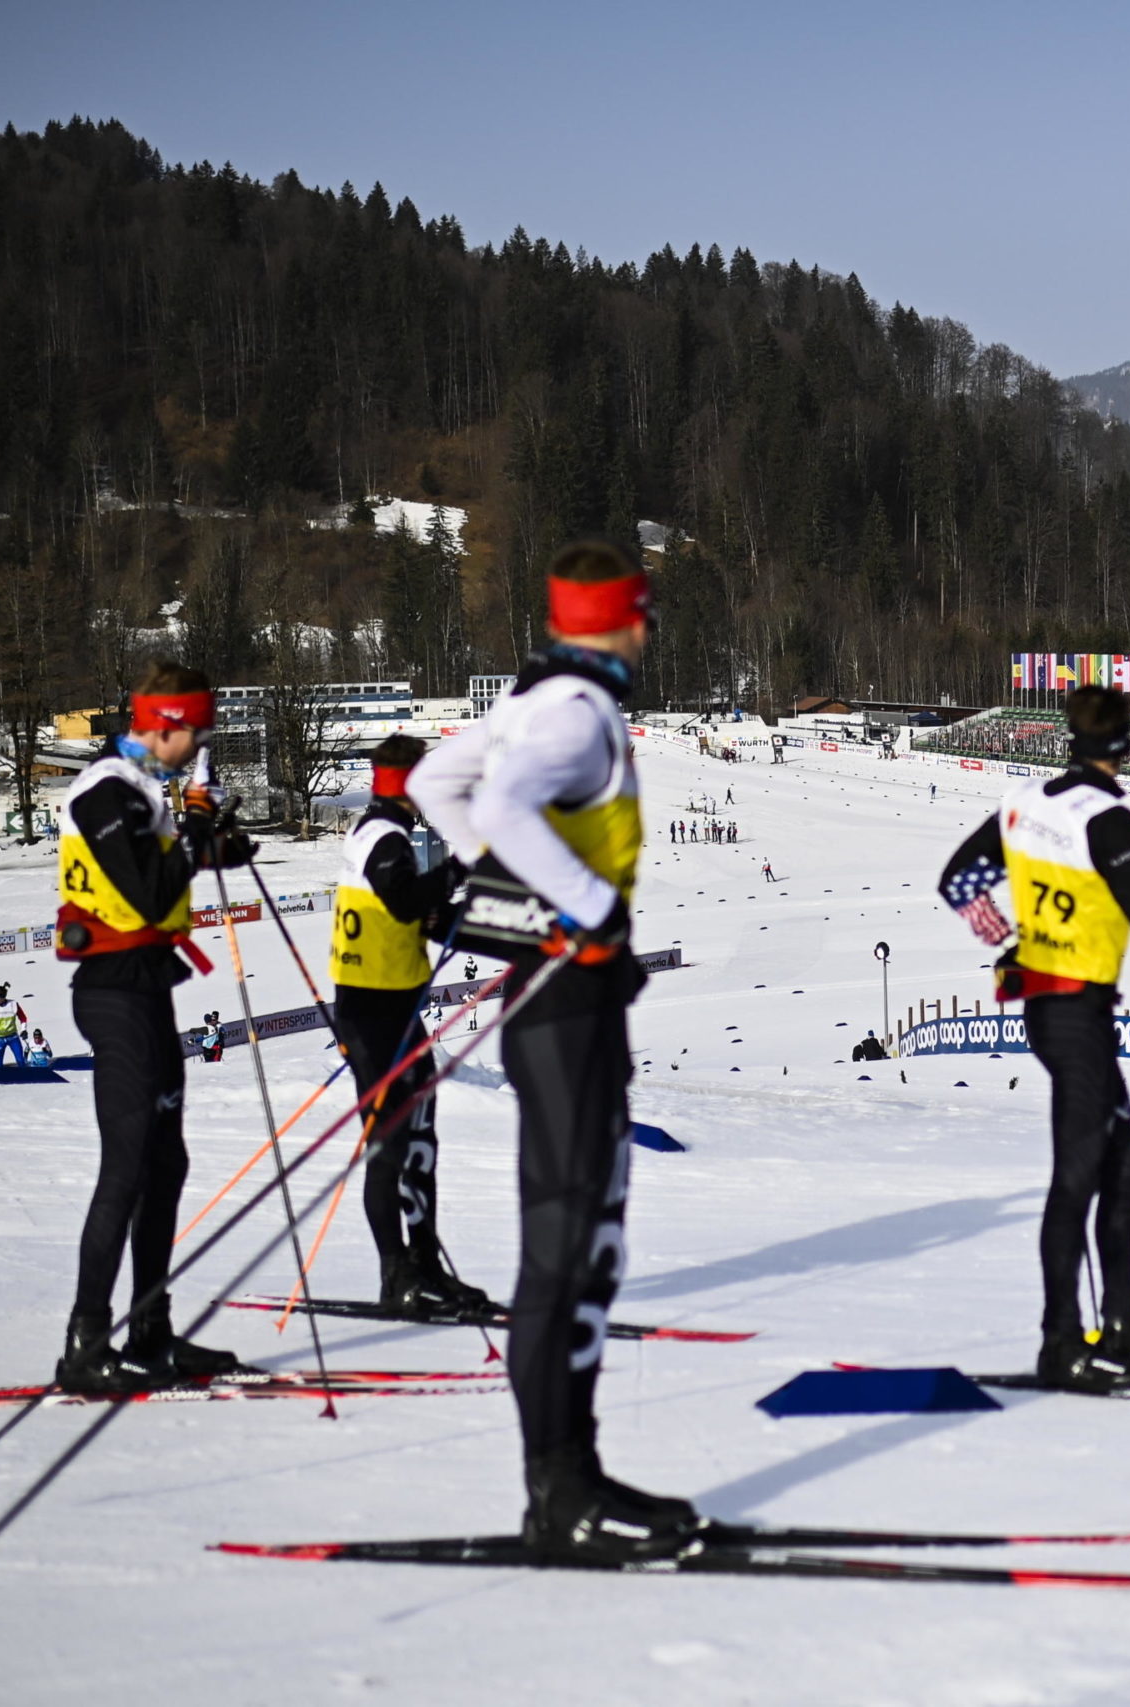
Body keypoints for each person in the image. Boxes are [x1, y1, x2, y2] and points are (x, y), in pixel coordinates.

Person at [413, 537, 681, 1564]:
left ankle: (571, 1473)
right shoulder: (579, 712)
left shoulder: (531, 699)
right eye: (642, 611)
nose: (649, 628)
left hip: (551, 989)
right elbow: (500, 802)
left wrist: (513, 898)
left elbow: (441, 781)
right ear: (615, 617)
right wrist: (582, 906)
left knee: (569, 1242)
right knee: (572, 1244)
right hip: (568, 1002)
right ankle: (560, 1490)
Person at [937, 684, 1130, 1393]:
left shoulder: (1027, 801)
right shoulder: (1113, 821)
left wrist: (1010, 941)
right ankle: (1062, 1340)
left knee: (1128, 1163)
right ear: (1125, 742)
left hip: (1056, 1008)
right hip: (1076, 1010)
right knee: (1079, 1175)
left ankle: (1121, 1325)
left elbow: (959, 880)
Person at [52, 659, 253, 1393]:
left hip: (148, 986)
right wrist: (196, 826)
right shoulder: (107, 790)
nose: (200, 745)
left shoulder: (142, 790)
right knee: (128, 1166)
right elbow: (144, 893)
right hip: (113, 990)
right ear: (163, 725)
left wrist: (215, 836)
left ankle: (150, 1329)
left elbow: (184, 861)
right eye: (194, 733)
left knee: (167, 1164)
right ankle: (85, 1339)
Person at [329, 734, 485, 1318]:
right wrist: (457, 868)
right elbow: (401, 898)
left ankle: (423, 1266)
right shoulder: (381, 834)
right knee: (390, 1146)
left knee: (420, 1140)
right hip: (371, 1014)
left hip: (395, 1009)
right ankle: (397, 1275)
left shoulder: (382, 830)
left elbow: (409, 907)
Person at [0, 984, 29, 1068]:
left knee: (20, 1060)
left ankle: (24, 1076)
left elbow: (23, 1018)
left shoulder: (13, 1004)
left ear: (4, 997)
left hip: (13, 1037)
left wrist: (24, 1030)